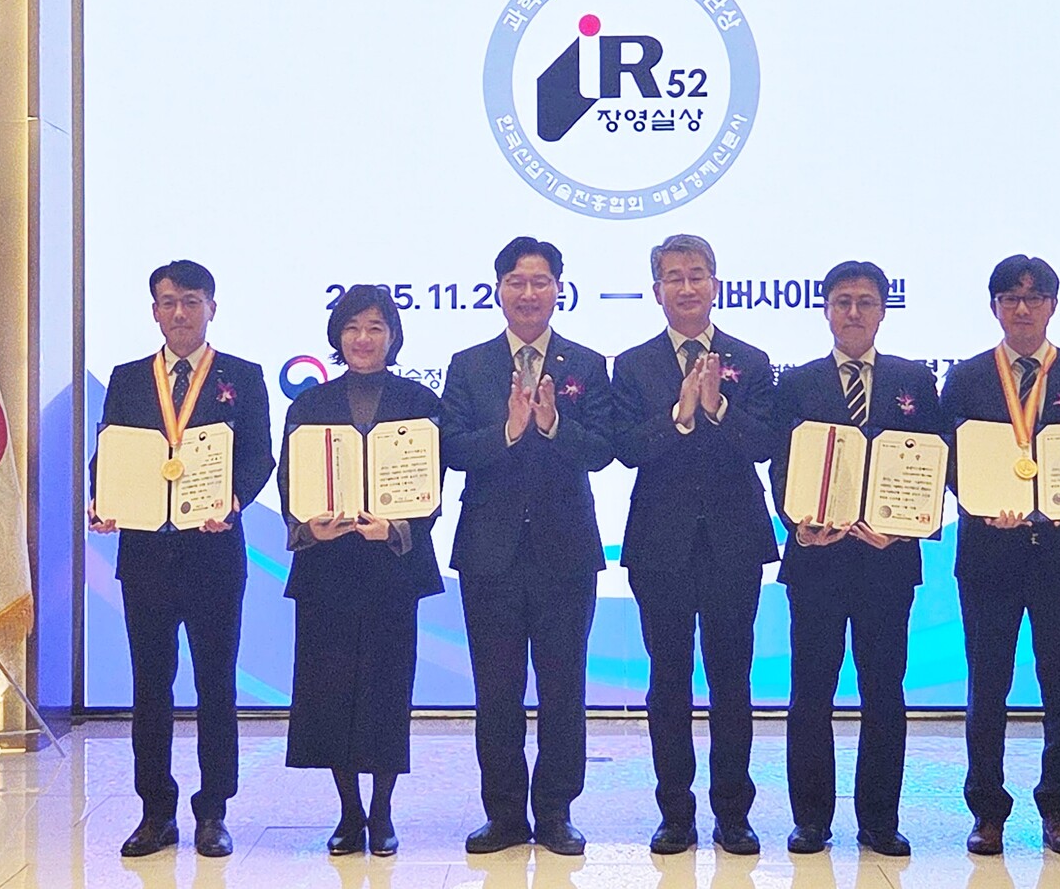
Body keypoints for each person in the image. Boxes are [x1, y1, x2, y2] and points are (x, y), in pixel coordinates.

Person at [88, 260, 274, 857]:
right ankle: (155, 811)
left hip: (214, 552)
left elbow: (259, 457)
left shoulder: (242, 377)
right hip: (145, 555)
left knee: (215, 685)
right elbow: (110, 449)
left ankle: (213, 811)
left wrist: (236, 500)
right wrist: (102, 499)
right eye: (167, 302)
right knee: (151, 686)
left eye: (190, 301)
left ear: (211, 308)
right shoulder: (127, 378)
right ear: (153, 311)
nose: (178, 313)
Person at [939, 254, 1060, 857]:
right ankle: (987, 812)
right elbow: (950, 464)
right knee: (988, 686)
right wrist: (981, 501)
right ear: (994, 306)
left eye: (1034, 297)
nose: (1022, 308)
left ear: (1053, 306)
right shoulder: (964, 377)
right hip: (990, 554)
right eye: (1010, 298)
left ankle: (1059, 811)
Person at [442, 236, 614, 857]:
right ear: (498, 291)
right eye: (516, 282)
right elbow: (452, 449)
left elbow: (602, 450)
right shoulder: (468, 365)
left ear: (558, 290)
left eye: (541, 282)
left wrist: (552, 426)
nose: (529, 293)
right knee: (497, 690)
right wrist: (510, 431)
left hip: (566, 552)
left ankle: (556, 811)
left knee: (563, 687)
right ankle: (505, 813)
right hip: (489, 553)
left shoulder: (587, 364)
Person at [611, 233, 777, 856]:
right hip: (660, 546)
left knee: (732, 681)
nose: (686, 286)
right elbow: (626, 448)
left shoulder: (752, 359)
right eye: (673, 277)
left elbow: (764, 443)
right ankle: (675, 813)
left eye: (697, 275)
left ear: (715, 284)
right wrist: (682, 413)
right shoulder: (633, 365)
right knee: (669, 681)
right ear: (656, 291)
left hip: (734, 543)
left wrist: (720, 408)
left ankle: (733, 814)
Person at [770, 261, 941, 857]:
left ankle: (879, 822)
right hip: (817, 561)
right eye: (842, 301)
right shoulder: (797, 382)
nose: (853, 312)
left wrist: (904, 528)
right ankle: (811, 819)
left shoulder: (913, 379)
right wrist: (799, 525)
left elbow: (931, 462)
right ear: (824, 309)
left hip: (887, 563)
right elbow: (783, 468)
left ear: (884, 310)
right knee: (810, 692)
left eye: (865, 302)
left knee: (884, 692)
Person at [277, 285, 444, 857]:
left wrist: (396, 529)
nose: (363, 339)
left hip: (391, 571)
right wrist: (308, 527)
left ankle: (382, 812)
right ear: (337, 336)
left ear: (393, 336)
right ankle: (348, 812)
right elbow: (290, 485)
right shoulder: (309, 405)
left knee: (385, 688)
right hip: (328, 569)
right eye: (352, 328)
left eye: (375, 327)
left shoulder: (420, 401)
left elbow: (433, 490)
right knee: (330, 693)